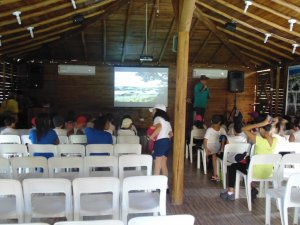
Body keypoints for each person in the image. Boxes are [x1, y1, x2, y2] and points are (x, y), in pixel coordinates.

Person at [220, 116, 278, 201]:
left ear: (261, 129)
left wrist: (261, 124)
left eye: (259, 129)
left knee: (233, 166)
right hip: (268, 172)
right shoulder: (275, 140)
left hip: (255, 172)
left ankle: (230, 192)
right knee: (247, 162)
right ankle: (251, 189)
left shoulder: (258, 140)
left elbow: (243, 128)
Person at [147, 104, 173, 179]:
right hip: (167, 142)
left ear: (158, 111)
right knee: (163, 165)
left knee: (157, 166)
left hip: (160, 142)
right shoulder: (167, 121)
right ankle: (165, 187)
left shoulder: (157, 118)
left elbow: (159, 128)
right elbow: (171, 134)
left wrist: (150, 137)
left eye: (154, 110)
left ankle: (156, 187)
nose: (152, 112)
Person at [203, 115, 227, 181]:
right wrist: (222, 148)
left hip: (209, 146)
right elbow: (225, 138)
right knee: (223, 137)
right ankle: (215, 174)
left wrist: (206, 149)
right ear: (220, 122)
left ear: (211, 121)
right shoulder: (222, 129)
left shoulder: (209, 129)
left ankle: (214, 174)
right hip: (218, 147)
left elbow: (205, 140)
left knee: (213, 155)